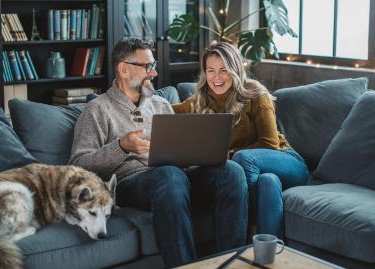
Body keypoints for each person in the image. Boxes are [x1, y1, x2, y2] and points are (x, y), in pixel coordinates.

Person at [69, 38, 248, 267]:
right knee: (169, 175)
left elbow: (180, 154)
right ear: (123, 69)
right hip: (130, 183)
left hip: (174, 177)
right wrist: (121, 146)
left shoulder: (161, 105)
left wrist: (203, 155)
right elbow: (78, 165)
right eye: (147, 67)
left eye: (153, 66)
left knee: (231, 171)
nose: (153, 74)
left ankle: (232, 263)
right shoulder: (97, 110)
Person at [172, 41, 308, 237]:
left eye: (223, 70)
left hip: (286, 160)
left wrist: (230, 154)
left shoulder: (255, 93)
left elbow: (270, 144)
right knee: (268, 182)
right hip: (260, 172)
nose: (216, 77)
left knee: (244, 159)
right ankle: (269, 251)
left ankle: (247, 231)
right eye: (211, 70)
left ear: (235, 69)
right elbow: (166, 112)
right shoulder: (201, 100)